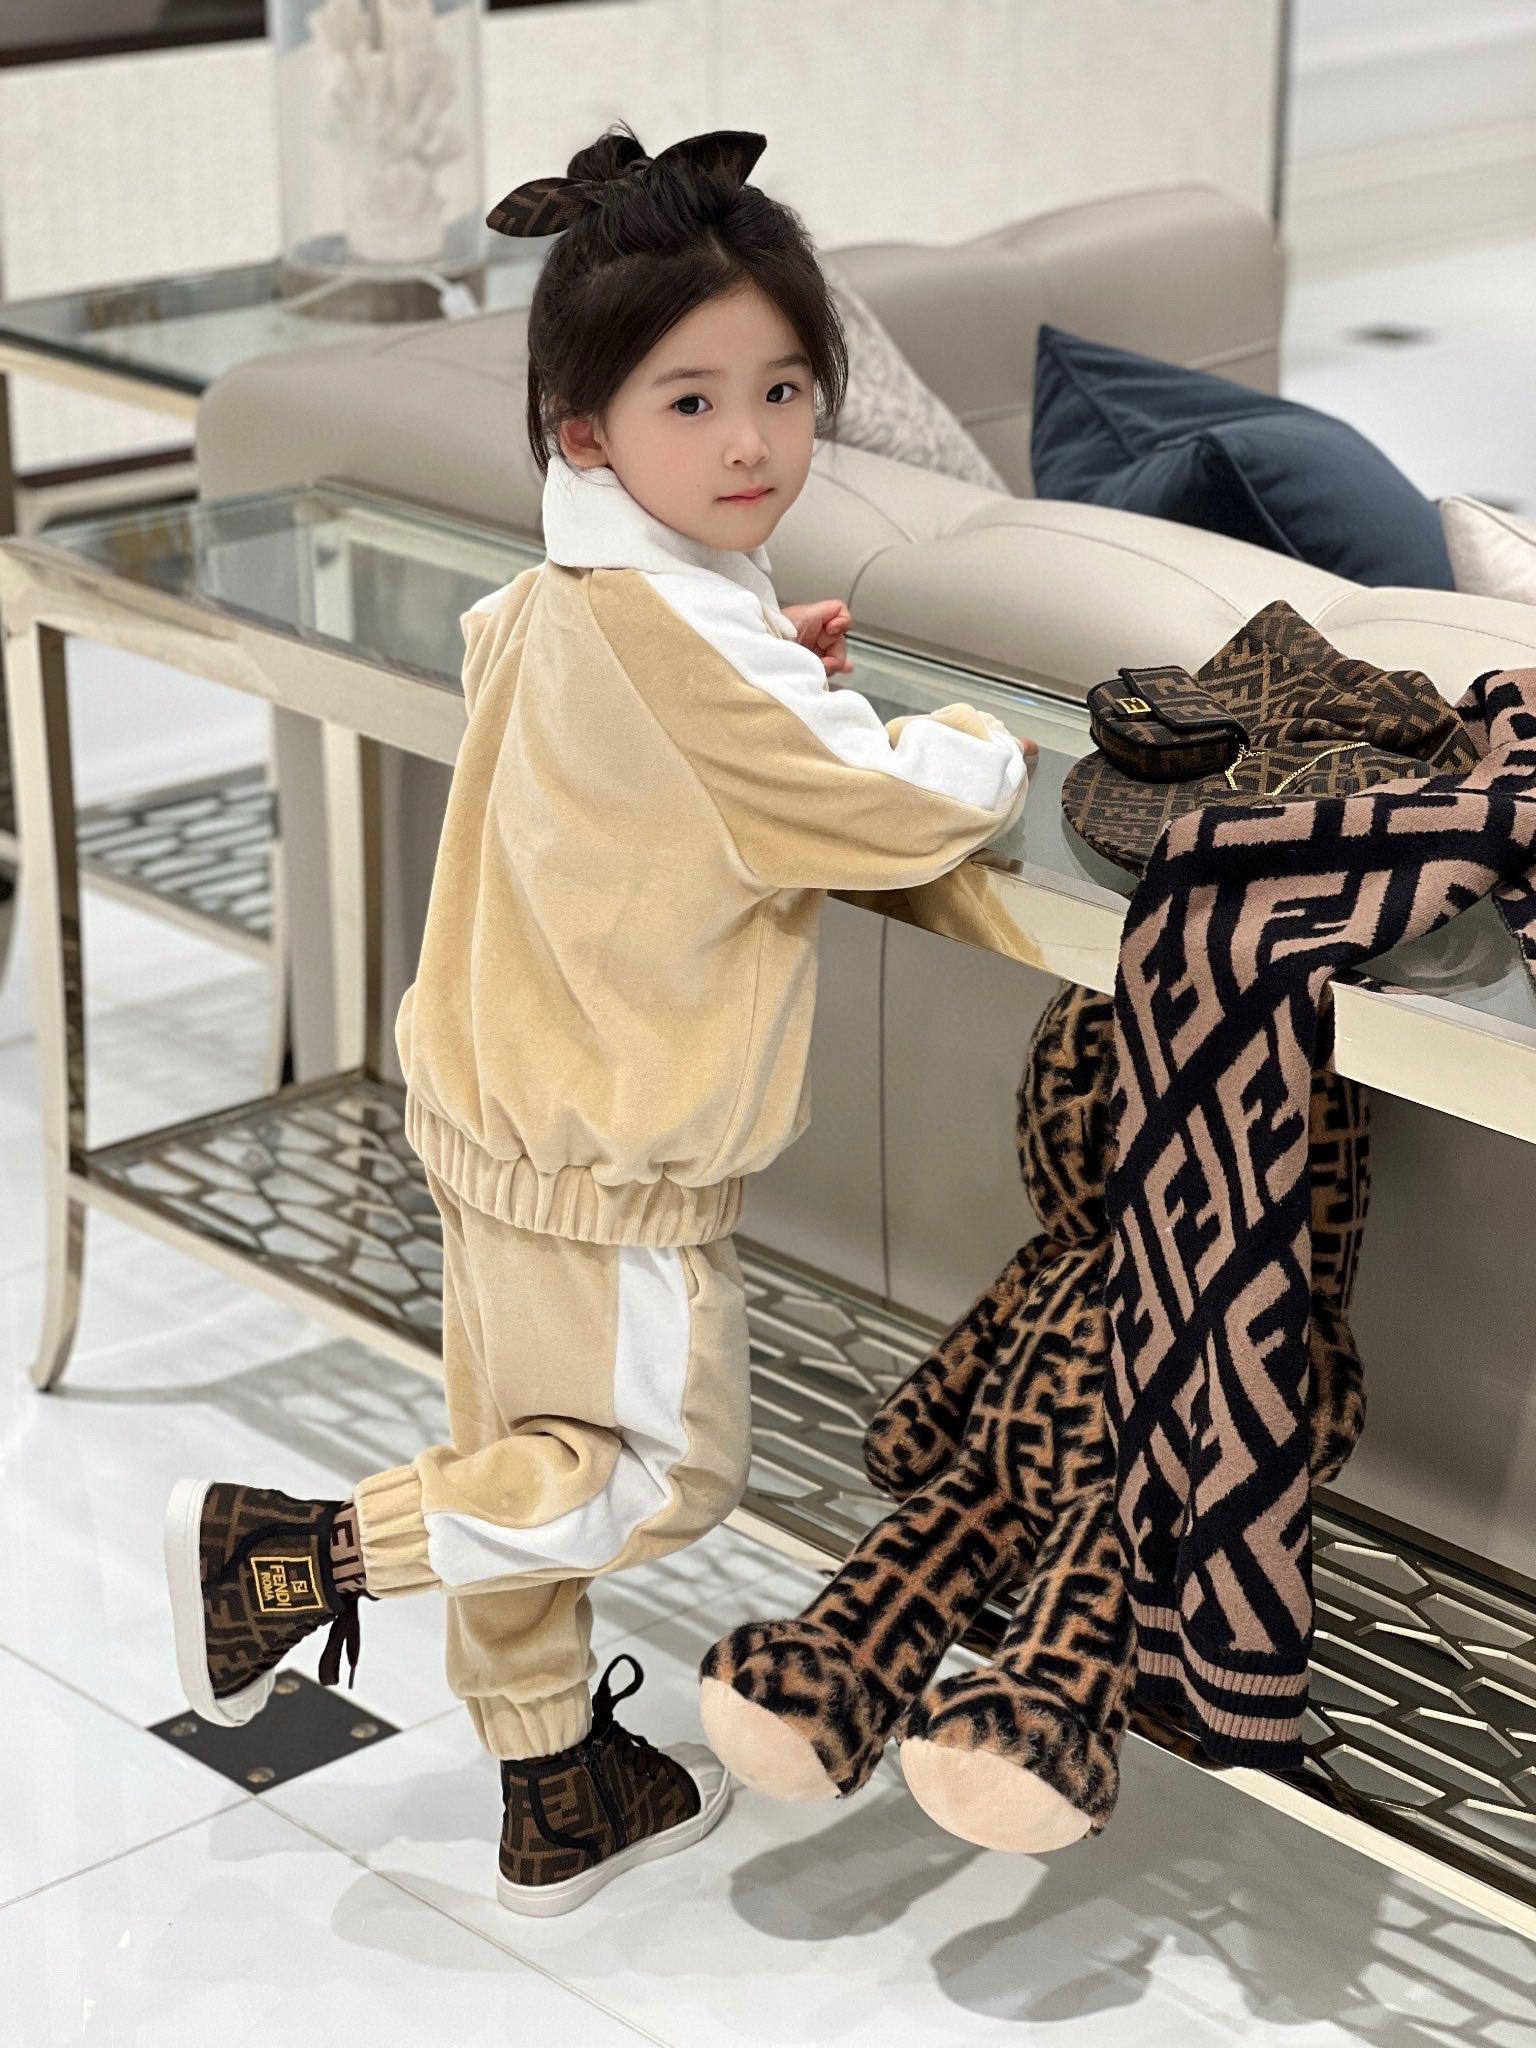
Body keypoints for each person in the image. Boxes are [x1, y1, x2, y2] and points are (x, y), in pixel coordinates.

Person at [162, 123, 1036, 1917]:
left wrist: (756, 654)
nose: (753, 441)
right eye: (691, 403)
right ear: (586, 433)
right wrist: (981, 740)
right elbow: (891, 807)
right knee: (655, 1472)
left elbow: (613, 707)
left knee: (532, 1451)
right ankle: (293, 1556)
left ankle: (553, 1783)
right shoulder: (692, 648)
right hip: (608, 1148)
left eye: (783, 390)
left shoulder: (564, 595)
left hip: (489, 1102)